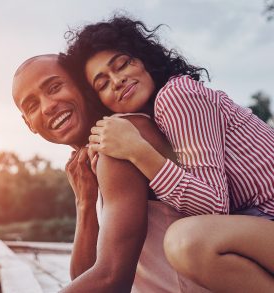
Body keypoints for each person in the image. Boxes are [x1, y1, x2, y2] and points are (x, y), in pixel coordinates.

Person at [60, 15, 274, 292]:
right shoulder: (149, 125)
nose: (117, 80)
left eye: (122, 63)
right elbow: (89, 273)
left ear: (143, 59)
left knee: (187, 242)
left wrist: (140, 152)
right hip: (261, 227)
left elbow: (214, 207)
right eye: (102, 83)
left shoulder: (176, 95)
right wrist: (85, 201)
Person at [12, 54, 210, 292]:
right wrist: (85, 202)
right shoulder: (94, 157)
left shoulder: (121, 139)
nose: (48, 106)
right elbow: (83, 277)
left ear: (83, 84)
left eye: (54, 87)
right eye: (33, 105)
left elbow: (112, 280)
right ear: (29, 124)